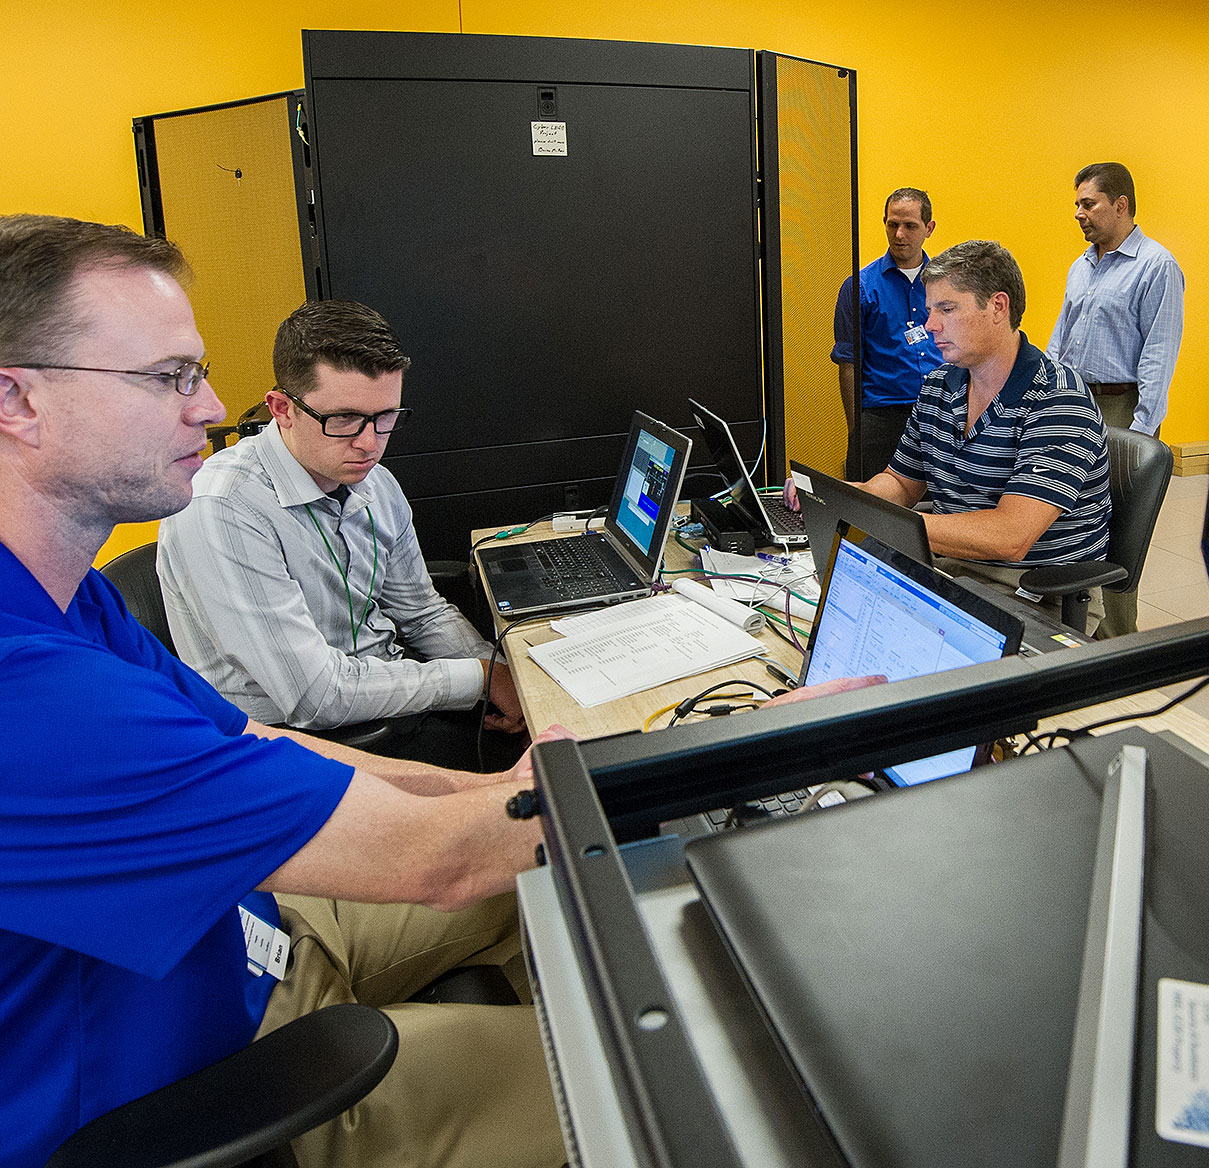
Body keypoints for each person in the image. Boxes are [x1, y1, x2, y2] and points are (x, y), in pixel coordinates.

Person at [0, 215, 879, 1168]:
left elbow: (260, 744)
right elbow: (437, 863)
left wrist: (528, 781)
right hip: (207, 1074)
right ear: (18, 399)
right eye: (169, 376)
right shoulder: (33, 693)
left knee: (559, 874)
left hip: (246, 923)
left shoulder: (68, 598)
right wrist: (735, 751)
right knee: (717, 1086)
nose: (207, 405)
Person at [157, 300, 524, 771]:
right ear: (282, 409)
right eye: (344, 419)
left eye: (386, 417)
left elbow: (421, 612)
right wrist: (478, 678)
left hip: (394, 700)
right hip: (294, 748)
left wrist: (501, 675)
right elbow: (316, 697)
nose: (370, 443)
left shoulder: (373, 482)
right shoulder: (223, 508)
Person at [851, 239, 1113, 633]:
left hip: (1030, 590)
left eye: (947, 309)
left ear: (997, 307)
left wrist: (884, 523)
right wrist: (849, 498)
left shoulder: (1057, 398)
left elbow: (1010, 536)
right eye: (929, 310)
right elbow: (901, 484)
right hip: (950, 567)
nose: (930, 325)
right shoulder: (939, 384)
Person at [1046, 161, 1185, 635]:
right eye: (1077, 205)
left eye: (1088, 204)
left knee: (1120, 529)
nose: (1079, 214)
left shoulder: (1156, 266)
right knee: (1074, 518)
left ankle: (1119, 639)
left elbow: (1159, 356)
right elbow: (1059, 340)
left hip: (1123, 408)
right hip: (1077, 403)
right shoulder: (1081, 266)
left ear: (1120, 204)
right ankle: (1067, 625)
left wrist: (1141, 435)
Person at [831, 187, 943, 479]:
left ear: (928, 228)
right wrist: (857, 432)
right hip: (882, 418)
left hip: (940, 415)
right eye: (892, 225)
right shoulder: (859, 287)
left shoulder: (947, 286)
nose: (899, 235)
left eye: (910, 226)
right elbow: (848, 365)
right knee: (876, 509)